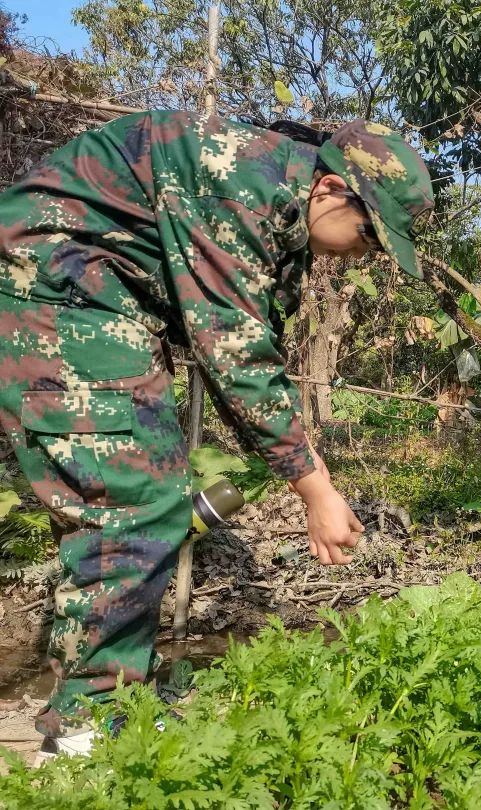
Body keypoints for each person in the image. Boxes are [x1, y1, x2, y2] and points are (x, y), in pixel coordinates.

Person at [0, 111, 434, 756]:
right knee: (134, 502)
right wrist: (317, 491)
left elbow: (251, 334)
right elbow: (239, 359)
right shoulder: (245, 186)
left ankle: (111, 693)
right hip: (57, 292)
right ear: (329, 191)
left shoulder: (277, 201)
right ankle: (88, 727)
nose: (364, 252)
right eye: (369, 233)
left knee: (142, 496)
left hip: (95, 295)